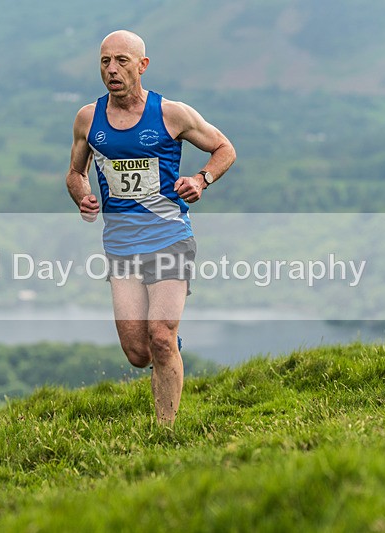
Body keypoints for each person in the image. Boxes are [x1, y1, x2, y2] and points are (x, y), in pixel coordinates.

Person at [65, 30, 236, 425]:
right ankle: (168, 349)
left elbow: (224, 148)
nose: (112, 69)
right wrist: (82, 195)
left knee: (158, 335)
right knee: (138, 352)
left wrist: (201, 180)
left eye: (122, 61)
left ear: (142, 66)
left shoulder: (172, 113)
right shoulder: (88, 119)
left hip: (170, 237)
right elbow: (75, 173)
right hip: (121, 246)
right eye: (105, 61)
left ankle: (166, 433)